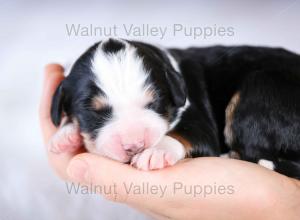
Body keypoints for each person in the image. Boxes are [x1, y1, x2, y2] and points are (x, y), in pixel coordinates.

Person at [40, 64, 300, 220]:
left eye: (150, 105)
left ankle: (268, 159)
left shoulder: (181, 83)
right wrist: (72, 124)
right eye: (97, 114)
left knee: (261, 93)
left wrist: (284, 205)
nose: (133, 141)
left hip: (282, 87)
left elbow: (197, 130)